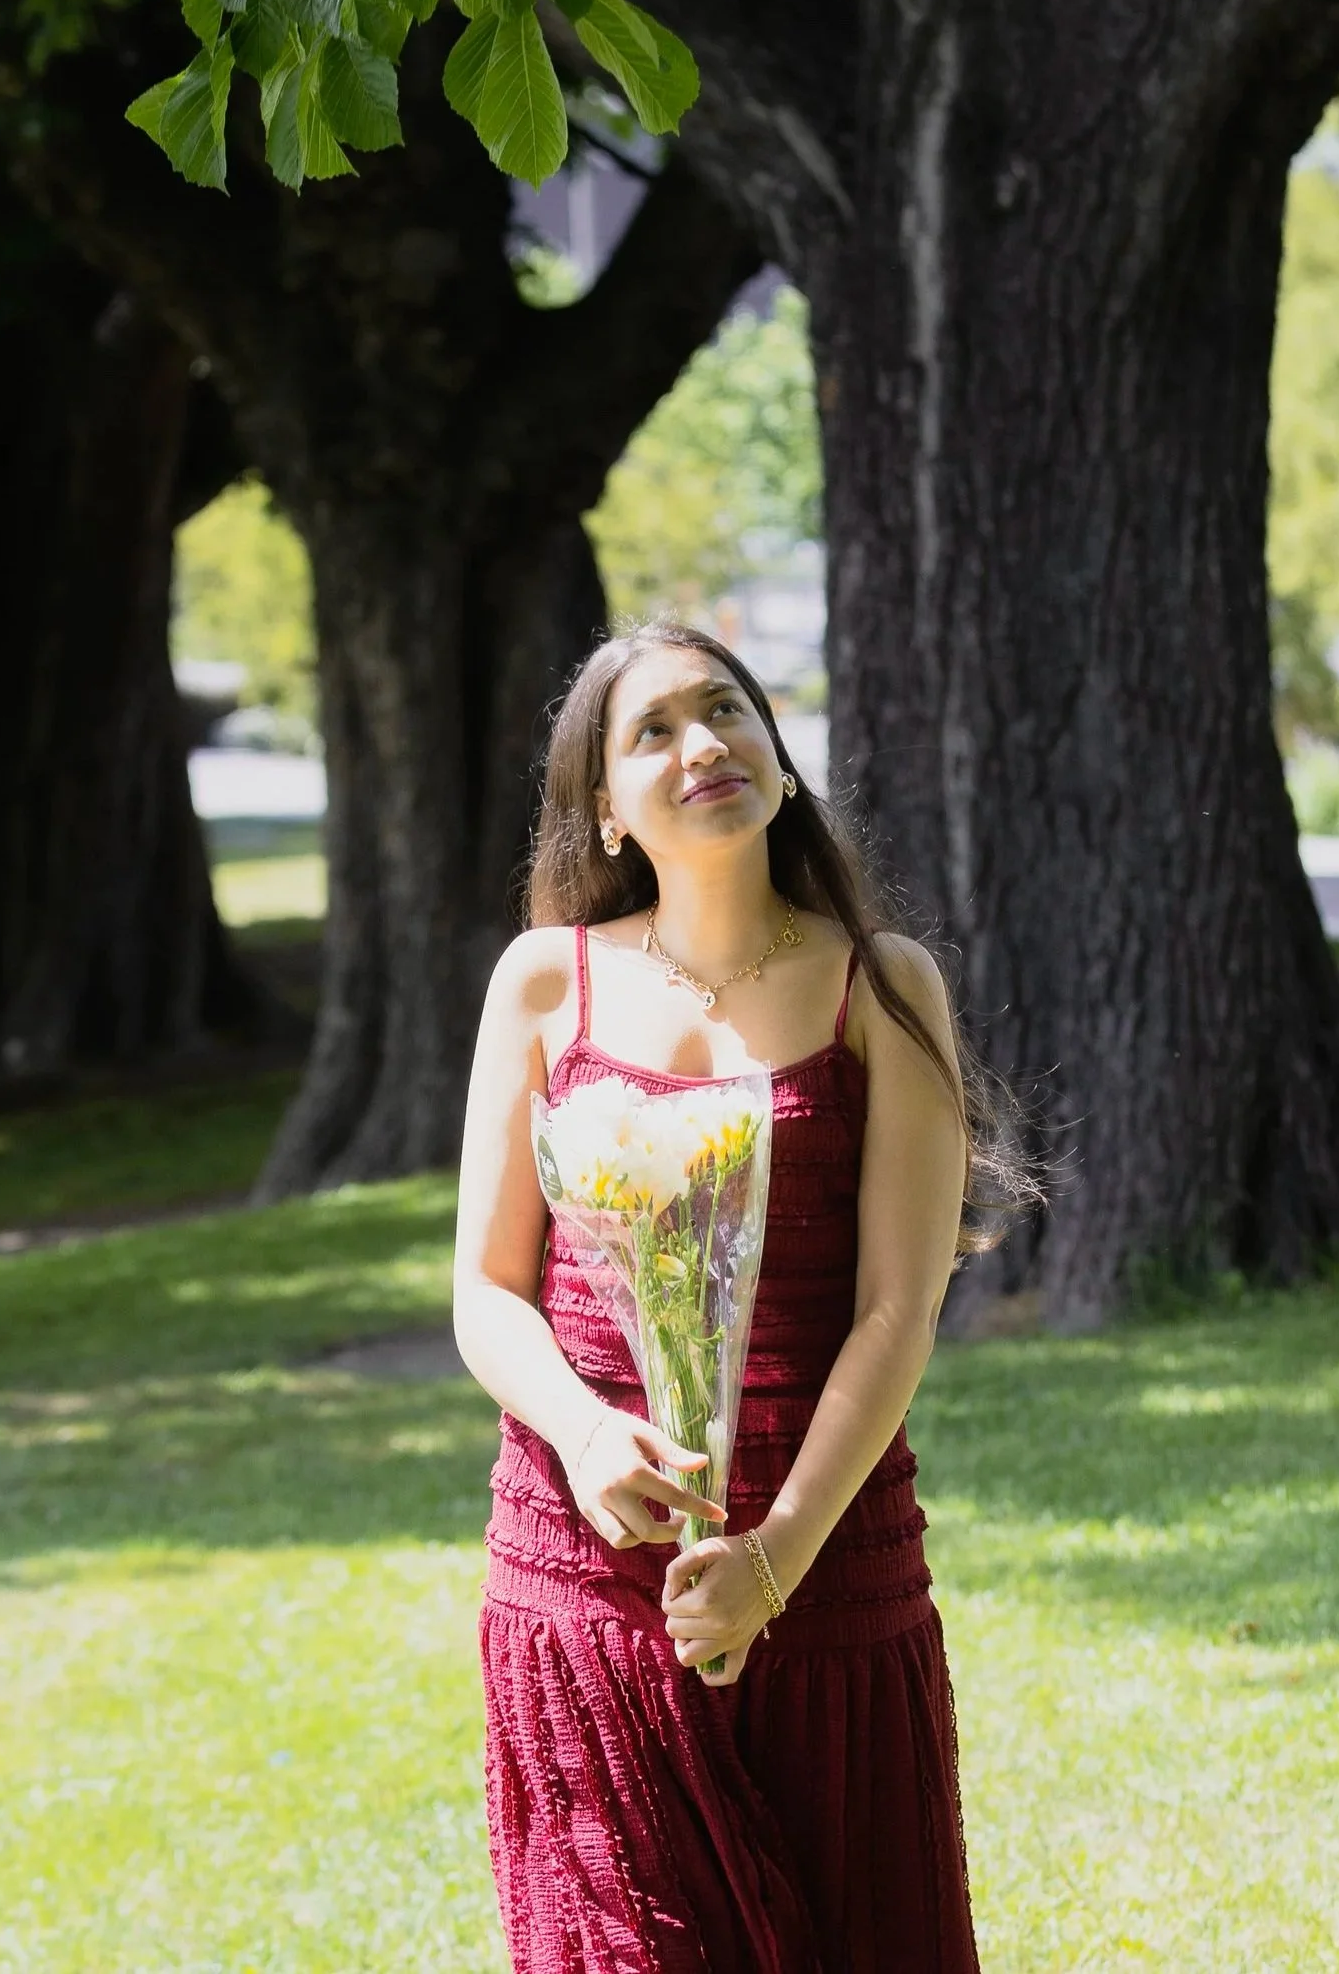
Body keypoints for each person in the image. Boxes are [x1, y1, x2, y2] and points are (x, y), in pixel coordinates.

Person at [453, 621, 1004, 1973]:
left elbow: (895, 1311)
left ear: (779, 754)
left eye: (728, 711)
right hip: (587, 1582)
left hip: (824, 1574)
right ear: (604, 810)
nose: (704, 745)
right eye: (654, 731)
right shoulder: (543, 986)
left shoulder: (883, 987)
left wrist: (776, 1557)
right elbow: (484, 1290)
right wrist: (585, 1439)